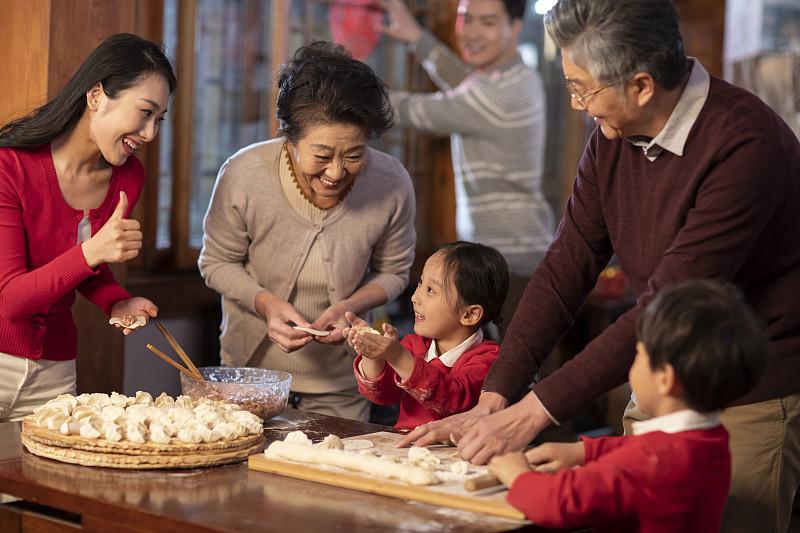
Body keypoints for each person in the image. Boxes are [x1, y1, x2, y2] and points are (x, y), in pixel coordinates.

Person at [401, 1, 800, 531]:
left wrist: (533, 412)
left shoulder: (745, 143)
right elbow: (567, 263)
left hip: (748, 390)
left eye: (583, 89)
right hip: (662, 376)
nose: (576, 105)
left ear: (640, 86)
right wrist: (496, 396)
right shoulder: (612, 135)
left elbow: (666, 302)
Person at [198, 42, 416, 422]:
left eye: (354, 155)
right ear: (290, 138)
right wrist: (266, 303)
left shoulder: (391, 181)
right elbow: (216, 262)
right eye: (321, 155)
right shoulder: (245, 173)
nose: (335, 172)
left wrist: (349, 306)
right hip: (249, 377)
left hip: (344, 382)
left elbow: (395, 271)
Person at [488, 280, 767, 531]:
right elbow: (642, 449)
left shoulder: (651, 460)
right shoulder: (710, 438)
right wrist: (585, 450)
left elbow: (559, 503)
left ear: (665, 379)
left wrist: (518, 475)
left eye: (639, 355)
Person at [0, 33, 176, 422]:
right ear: (97, 96)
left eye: (159, 119)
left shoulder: (129, 176)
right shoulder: (9, 166)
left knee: (45, 481)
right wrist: (94, 251)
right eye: (145, 112)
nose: (150, 134)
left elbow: (80, 268)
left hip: (55, 372)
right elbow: (10, 301)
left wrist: (115, 300)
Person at [380, 0, 553, 327]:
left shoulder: (502, 94)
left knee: (505, 374)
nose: (472, 32)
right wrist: (416, 35)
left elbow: (416, 110)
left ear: (514, 27)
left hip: (510, 266)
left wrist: (345, 89)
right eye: (466, 19)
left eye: (487, 22)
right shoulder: (511, 78)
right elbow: (464, 82)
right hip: (509, 258)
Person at [345, 241, 508, 430]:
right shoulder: (414, 345)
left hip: (456, 455)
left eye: (430, 290)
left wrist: (397, 356)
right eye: (421, 284)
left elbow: (451, 398)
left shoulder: (489, 359)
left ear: (469, 314)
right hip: (407, 448)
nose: (415, 297)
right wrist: (372, 355)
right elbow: (382, 395)